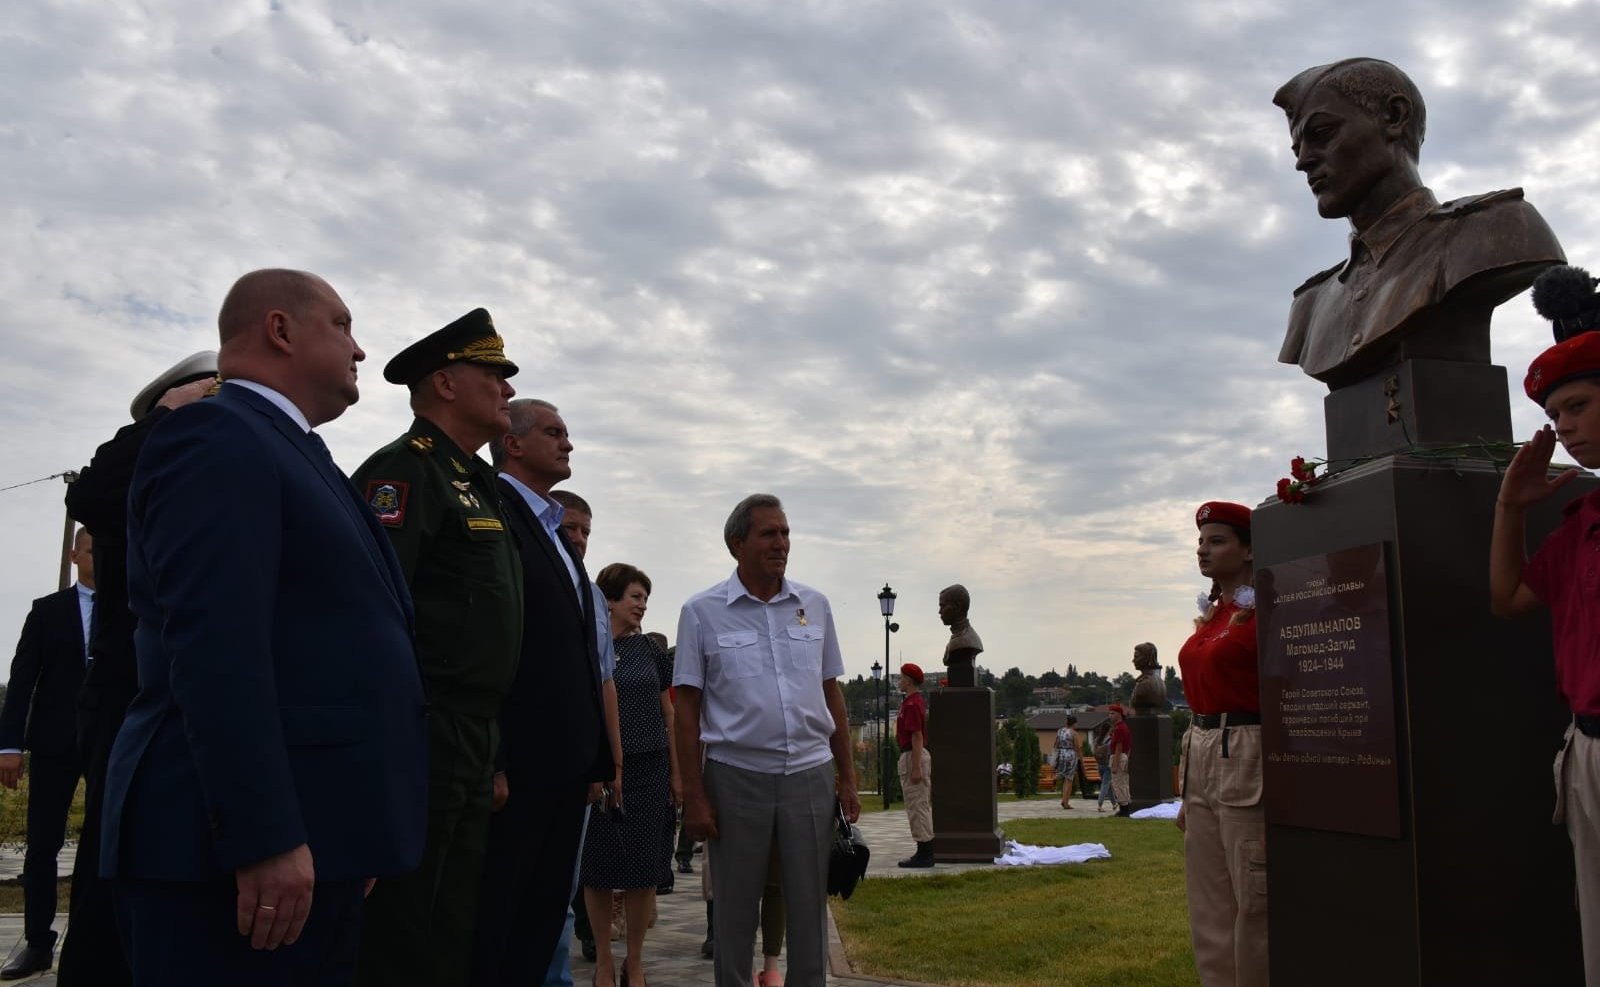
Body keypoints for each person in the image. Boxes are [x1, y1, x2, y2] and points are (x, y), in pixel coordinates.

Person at [101, 269, 428, 986]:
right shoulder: (217, 434)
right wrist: (264, 834)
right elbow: (216, 648)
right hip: (231, 859)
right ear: (280, 329)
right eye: (341, 325)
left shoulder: (294, 450)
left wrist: (355, 826)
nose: (359, 349)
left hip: (319, 839)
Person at [352, 309, 524, 987]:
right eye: (494, 373)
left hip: (472, 732)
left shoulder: (477, 481)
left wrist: (494, 750)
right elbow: (372, 617)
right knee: (402, 923)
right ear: (446, 383)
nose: (507, 389)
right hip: (421, 730)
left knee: (451, 920)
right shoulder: (404, 471)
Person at [59, 351, 216, 987]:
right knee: (111, 869)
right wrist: (161, 419)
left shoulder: (202, 472)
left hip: (192, 693)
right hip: (128, 696)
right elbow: (89, 495)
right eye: (208, 396)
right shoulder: (132, 467)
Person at [1272, 58, 1563, 387]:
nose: (1302, 161)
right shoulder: (1310, 306)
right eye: (1297, 148)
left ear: (1394, 117)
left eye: (1322, 133)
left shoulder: (1498, 229)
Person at [675, 494, 859, 987]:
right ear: (737, 544)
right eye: (768, 534)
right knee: (735, 908)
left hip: (809, 774)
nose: (781, 543)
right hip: (735, 777)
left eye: (785, 533)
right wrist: (693, 796)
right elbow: (686, 710)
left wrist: (847, 778)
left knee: (809, 904)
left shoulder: (814, 606)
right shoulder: (701, 612)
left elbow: (831, 693)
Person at [472, 399, 615, 987]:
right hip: (518, 768)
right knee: (499, 927)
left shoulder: (554, 529)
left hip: (563, 770)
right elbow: (483, 643)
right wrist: (495, 757)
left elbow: (580, 656)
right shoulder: (490, 511)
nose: (568, 443)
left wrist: (595, 759)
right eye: (554, 432)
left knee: (540, 923)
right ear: (513, 442)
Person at [1490, 264, 1600, 984]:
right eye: (1556, 414)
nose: (1564, 427)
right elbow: (1507, 599)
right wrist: (1510, 507)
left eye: (1579, 405)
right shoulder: (1581, 523)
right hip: (1588, 748)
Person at [1176, 500, 1266, 987]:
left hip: (1245, 746)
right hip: (1202, 745)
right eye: (1200, 542)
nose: (1202, 550)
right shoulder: (1213, 618)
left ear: (1248, 550)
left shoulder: (1265, 611)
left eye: (1217, 541)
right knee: (1209, 901)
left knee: (1254, 897)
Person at [0, 528, 92, 979]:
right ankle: (38, 944)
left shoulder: (132, 610)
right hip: (55, 743)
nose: (100, 558)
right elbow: (21, 681)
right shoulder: (47, 611)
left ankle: (97, 943)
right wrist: (9, 745)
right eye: (91, 550)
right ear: (74, 555)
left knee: (106, 846)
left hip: (111, 744)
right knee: (43, 846)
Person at [579, 563, 676, 987]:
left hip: (650, 769)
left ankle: (634, 961)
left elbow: (668, 712)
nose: (642, 605)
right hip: (600, 772)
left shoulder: (651, 651)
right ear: (611, 600)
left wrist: (676, 774)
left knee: (645, 868)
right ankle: (603, 959)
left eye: (645, 599)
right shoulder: (588, 644)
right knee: (596, 868)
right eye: (635, 597)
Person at [544, 489, 621, 987]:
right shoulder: (529, 574)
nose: (578, 538)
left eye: (586, 531)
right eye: (568, 527)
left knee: (563, 888)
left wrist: (609, 762)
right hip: (533, 755)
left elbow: (603, 680)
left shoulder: (591, 595)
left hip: (579, 761)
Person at [896, 662, 934, 868]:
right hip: (912, 754)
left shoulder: (911, 704)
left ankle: (925, 854)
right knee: (917, 805)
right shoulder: (912, 702)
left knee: (917, 805)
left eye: (901, 677)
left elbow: (917, 736)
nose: (899, 681)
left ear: (909, 681)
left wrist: (916, 767)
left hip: (913, 755)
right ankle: (923, 850)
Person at [1107, 704, 1133, 816]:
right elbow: (1129, 746)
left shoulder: (1119, 728)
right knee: (1123, 783)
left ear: (1119, 714)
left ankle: (1124, 809)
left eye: (1112, 713)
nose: (1110, 716)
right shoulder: (1124, 727)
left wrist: (1115, 764)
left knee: (1118, 783)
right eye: (1109, 713)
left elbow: (1118, 747)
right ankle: (1125, 807)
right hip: (1124, 756)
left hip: (1118, 757)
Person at [1053, 714, 1079, 810]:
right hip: (1071, 756)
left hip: (1062, 755)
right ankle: (1066, 803)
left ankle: (1064, 800)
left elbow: (1056, 744)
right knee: (1069, 780)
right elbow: (1076, 747)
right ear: (1074, 723)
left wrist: (1055, 756)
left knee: (1065, 779)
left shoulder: (1060, 731)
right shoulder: (1074, 733)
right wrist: (1080, 757)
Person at [1092, 723, 1113, 812]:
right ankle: (1100, 805)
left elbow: (1093, 751)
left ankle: (1114, 803)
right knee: (1105, 785)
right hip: (1108, 765)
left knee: (1108, 785)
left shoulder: (1097, 740)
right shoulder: (1110, 740)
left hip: (1099, 764)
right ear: (1109, 730)